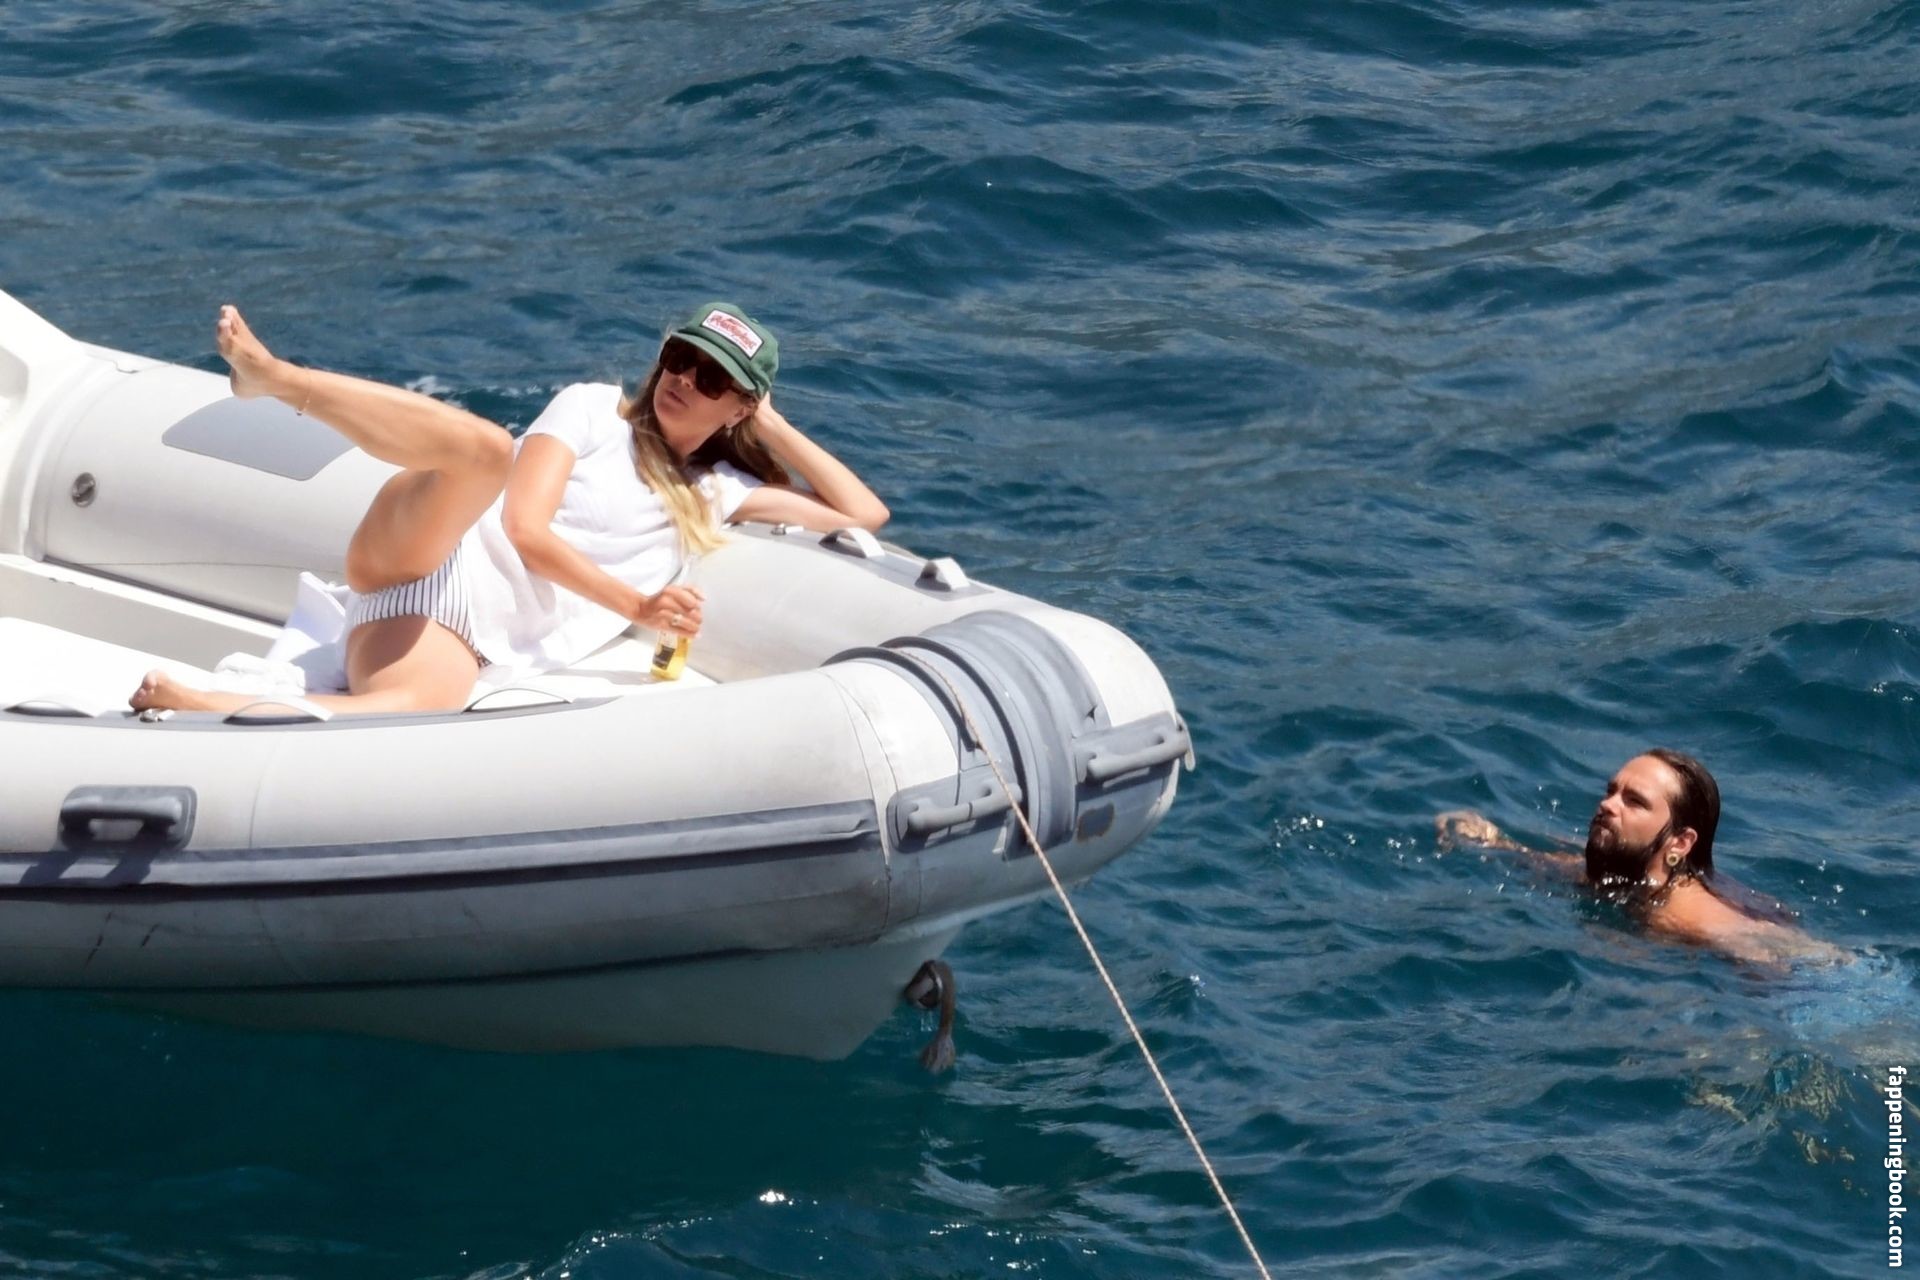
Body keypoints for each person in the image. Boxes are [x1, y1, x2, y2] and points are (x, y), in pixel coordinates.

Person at [130, 301, 887, 715]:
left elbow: (863, 513)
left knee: (412, 711)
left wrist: (769, 422)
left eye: (711, 379)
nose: (683, 380)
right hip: (431, 555)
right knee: (489, 451)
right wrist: (637, 605)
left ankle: (209, 703)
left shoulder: (719, 493)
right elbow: (524, 529)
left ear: (739, 407)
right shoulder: (594, 410)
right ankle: (277, 379)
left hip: (457, 638)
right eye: (679, 359)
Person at [1436, 749, 1838, 964]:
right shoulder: (1626, 876)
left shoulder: (1687, 914)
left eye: (1634, 801)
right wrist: (1489, 839)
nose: (1607, 804)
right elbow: (1558, 868)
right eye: (1611, 791)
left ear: (1680, 843)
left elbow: (1786, 957)